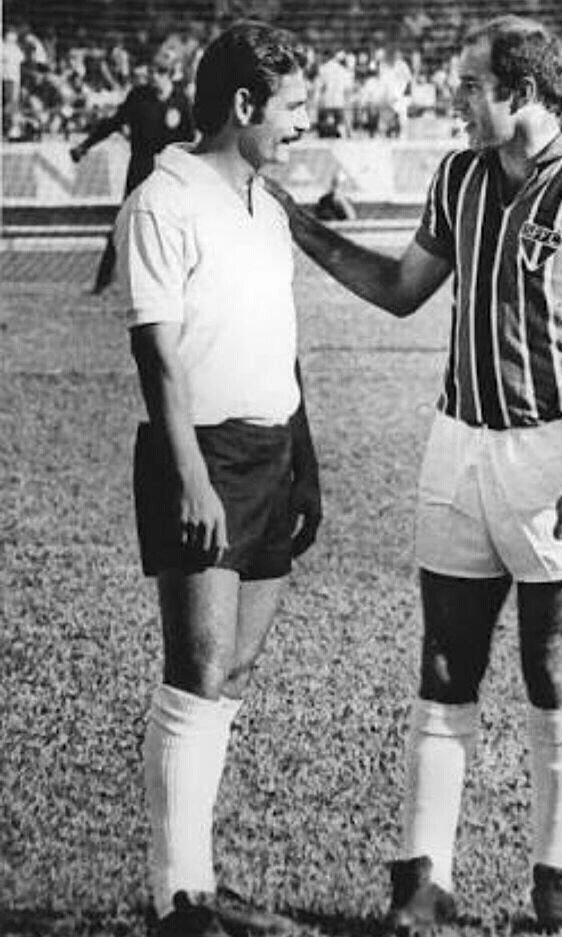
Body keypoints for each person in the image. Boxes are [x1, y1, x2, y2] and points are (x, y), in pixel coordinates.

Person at [264, 14, 562, 933]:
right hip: (457, 440)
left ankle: (553, 893)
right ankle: (421, 884)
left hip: (555, 451)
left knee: (550, 667)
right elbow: (403, 290)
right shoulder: (460, 177)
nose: (456, 102)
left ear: (521, 90)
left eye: (471, 86)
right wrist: (298, 228)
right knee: (444, 661)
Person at [113, 21, 320, 937]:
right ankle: (176, 898)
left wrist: (304, 458)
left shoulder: (267, 207)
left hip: (272, 454)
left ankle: (198, 879)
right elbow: (157, 357)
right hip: (197, 454)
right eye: (294, 109)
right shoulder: (164, 198)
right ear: (243, 106)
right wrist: (192, 478)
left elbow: (283, 344)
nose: (303, 127)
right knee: (196, 667)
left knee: (232, 667)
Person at [71, 51, 194, 294]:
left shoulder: (180, 102)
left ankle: (182, 282)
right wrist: (84, 145)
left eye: (158, 73)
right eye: (151, 73)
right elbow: (113, 123)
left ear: (169, 75)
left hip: (170, 172)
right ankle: (102, 283)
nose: (152, 78)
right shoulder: (139, 97)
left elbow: (189, 140)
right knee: (124, 223)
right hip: (141, 167)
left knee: (176, 226)